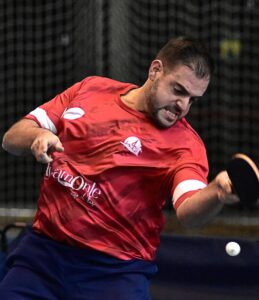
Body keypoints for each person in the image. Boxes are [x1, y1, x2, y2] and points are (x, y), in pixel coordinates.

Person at [0, 37, 239, 300]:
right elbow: (11, 139)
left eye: (193, 100)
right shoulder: (91, 90)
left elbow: (188, 212)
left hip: (114, 273)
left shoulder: (186, 146)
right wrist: (36, 136)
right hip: (41, 258)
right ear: (155, 70)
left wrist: (216, 191)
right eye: (178, 90)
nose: (182, 106)